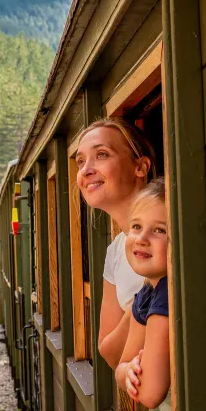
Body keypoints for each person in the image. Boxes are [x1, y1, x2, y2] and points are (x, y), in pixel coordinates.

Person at [73, 118, 156, 369]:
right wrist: (144, 300)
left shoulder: (169, 234)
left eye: (101, 155)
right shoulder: (115, 251)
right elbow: (108, 353)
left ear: (140, 167)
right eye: (80, 161)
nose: (86, 170)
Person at [116, 179, 170, 409]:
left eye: (159, 230)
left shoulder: (167, 294)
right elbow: (121, 368)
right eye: (136, 226)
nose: (141, 239)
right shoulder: (147, 293)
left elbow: (148, 394)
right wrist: (129, 370)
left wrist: (129, 373)